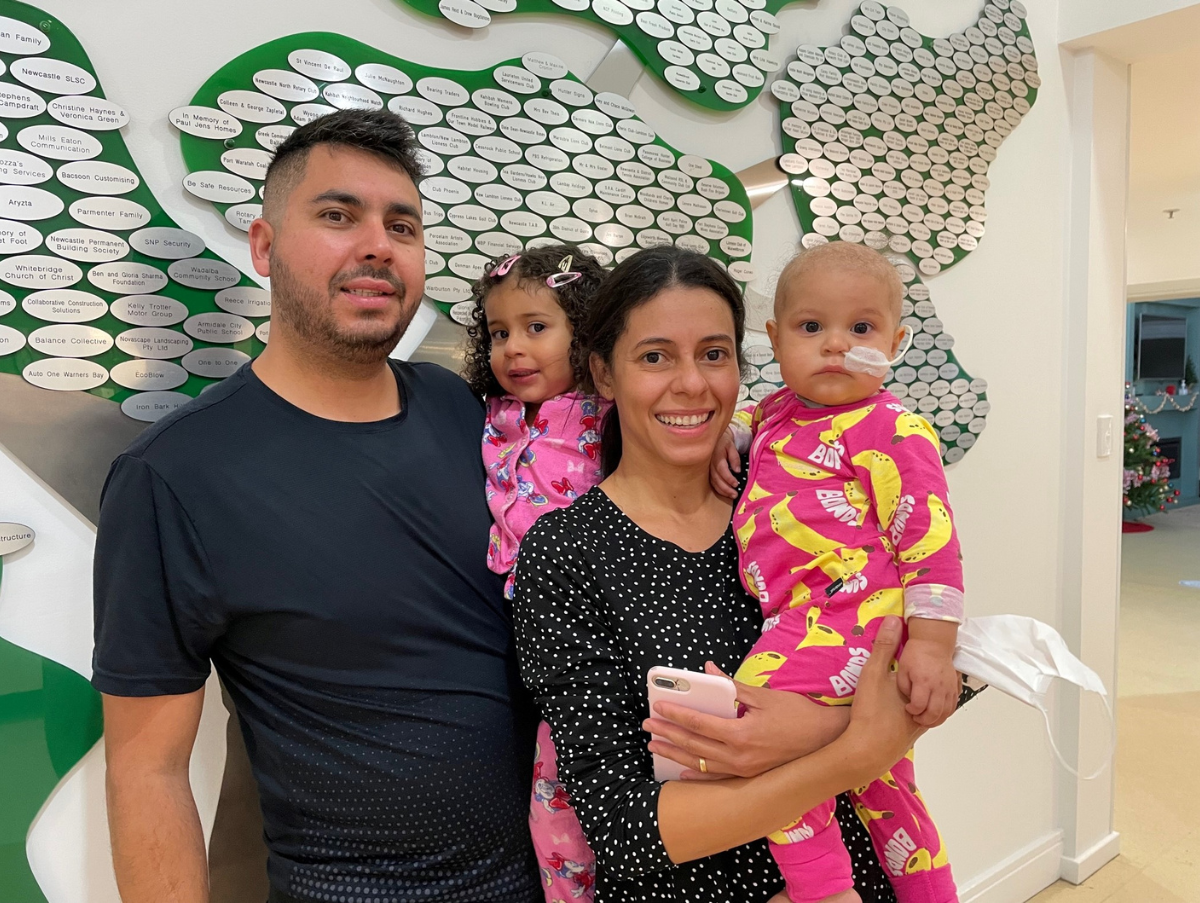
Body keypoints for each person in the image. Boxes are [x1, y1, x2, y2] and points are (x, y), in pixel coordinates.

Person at [92, 109, 541, 903]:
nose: (377, 243)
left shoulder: (463, 409)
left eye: (401, 225)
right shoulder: (175, 475)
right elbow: (146, 769)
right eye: (337, 215)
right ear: (263, 247)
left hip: (544, 877)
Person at [511, 246, 924, 903]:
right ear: (604, 373)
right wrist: (850, 751)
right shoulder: (566, 554)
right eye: (655, 356)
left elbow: (931, 659)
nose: (694, 384)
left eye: (713, 352)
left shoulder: (790, 497)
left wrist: (814, 729)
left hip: (857, 876)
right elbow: (623, 828)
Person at [710, 243, 963, 903]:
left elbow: (929, 537)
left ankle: (821, 888)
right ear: (774, 338)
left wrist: (933, 644)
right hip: (816, 618)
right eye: (810, 327)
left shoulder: (891, 427)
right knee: (884, 782)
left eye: (861, 328)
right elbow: (747, 419)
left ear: (896, 340)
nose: (833, 345)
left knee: (752, 717)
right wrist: (726, 435)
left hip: (847, 619)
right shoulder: (775, 413)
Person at [462, 244, 610, 900]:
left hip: (600, 634)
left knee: (597, 789)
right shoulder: (491, 417)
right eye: (499, 332)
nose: (513, 348)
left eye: (536, 327)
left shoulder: (608, 410)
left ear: (586, 333)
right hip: (528, 640)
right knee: (553, 808)